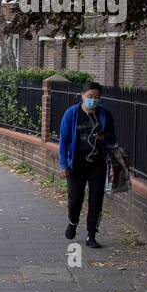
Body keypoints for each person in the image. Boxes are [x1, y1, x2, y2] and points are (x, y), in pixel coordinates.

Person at [57, 80, 118, 248]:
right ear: (82, 96)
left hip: (97, 164)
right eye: (90, 96)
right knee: (75, 199)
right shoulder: (72, 114)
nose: (93, 100)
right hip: (76, 164)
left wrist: (103, 137)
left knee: (96, 200)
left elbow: (113, 138)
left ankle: (91, 235)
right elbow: (64, 141)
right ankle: (73, 222)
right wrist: (63, 165)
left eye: (97, 97)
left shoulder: (105, 115)